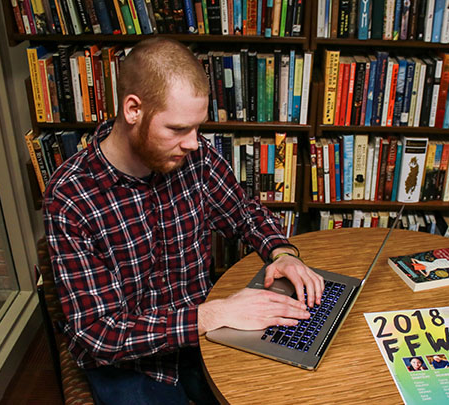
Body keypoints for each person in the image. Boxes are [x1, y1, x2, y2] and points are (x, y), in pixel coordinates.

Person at [43, 38, 324, 405]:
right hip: (131, 364)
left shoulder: (195, 156)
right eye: (178, 129)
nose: (193, 143)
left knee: (288, 389)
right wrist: (215, 313)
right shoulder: (70, 197)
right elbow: (98, 334)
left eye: (197, 127)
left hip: (204, 338)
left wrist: (281, 252)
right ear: (133, 110)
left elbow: (243, 211)